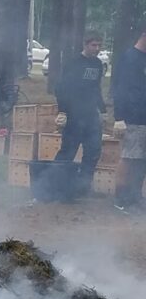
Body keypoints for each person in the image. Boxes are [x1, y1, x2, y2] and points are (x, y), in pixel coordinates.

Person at [54, 32, 105, 194]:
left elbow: (96, 88)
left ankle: (82, 187)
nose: (96, 49)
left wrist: (102, 110)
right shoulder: (74, 63)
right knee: (68, 150)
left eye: (99, 45)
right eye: (93, 45)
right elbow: (61, 87)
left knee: (93, 151)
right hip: (74, 114)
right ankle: (55, 184)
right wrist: (62, 111)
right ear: (85, 45)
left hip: (91, 115)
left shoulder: (98, 64)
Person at [112, 24, 146, 212]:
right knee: (129, 158)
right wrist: (119, 117)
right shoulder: (129, 58)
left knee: (142, 160)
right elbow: (119, 89)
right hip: (132, 118)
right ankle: (120, 198)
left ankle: (135, 195)